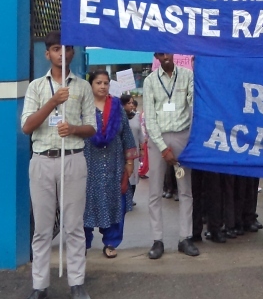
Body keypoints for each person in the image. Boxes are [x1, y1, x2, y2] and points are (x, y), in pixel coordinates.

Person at [18, 32, 96, 299]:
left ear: (73, 53)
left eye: (67, 49)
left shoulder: (84, 87)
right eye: (55, 49)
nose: (62, 53)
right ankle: (39, 287)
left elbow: (92, 128)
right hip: (42, 161)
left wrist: (73, 129)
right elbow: (27, 126)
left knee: (74, 226)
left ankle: (77, 284)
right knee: (42, 228)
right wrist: (53, 102)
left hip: (73, 159)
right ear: (47, 54)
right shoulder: (37, 87)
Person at [143, 52, 198, 258]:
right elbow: (149, 116)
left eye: (167, 52)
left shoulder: (187, 76)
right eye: (160, 54)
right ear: (156, 56)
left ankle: (185, 238)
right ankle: (157, 241)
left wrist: (190, 139)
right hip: (158, 140)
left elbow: (194, 104)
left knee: (185, 190)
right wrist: (162, 147)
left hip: (182, 138)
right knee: (155, 193)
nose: (164, 56)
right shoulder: (150, 81)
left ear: (173, 53)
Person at [83, 72, 139, 258]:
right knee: (86, 203)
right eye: (98, 82)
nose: (103, 86)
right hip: (89, 163)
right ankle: (83, 242)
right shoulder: (83, 106)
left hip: (114, 164)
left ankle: (111, 242)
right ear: (90, 85)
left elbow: (127, 136)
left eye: (106, 83)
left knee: (116, 202)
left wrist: (129, 161)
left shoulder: (116, 107)